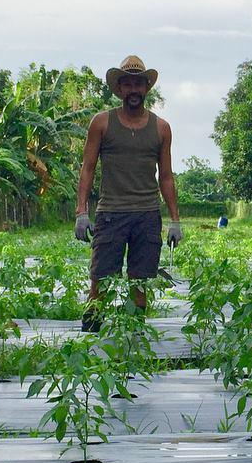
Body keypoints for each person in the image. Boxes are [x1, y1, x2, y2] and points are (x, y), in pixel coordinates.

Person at [74, 55, 182, 331]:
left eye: (138, 84)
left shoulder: (161, 128)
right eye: (128, 84)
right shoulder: (102, 123)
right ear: (120, 88)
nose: (133, 90)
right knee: (101, 278)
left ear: (146, 88)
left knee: (141, 280)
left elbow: (166, 177)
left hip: (146, 215)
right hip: (111, 214)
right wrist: (81, 213)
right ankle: (92, 331)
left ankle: (134, 335)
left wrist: (174, 221)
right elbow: (87, 168)